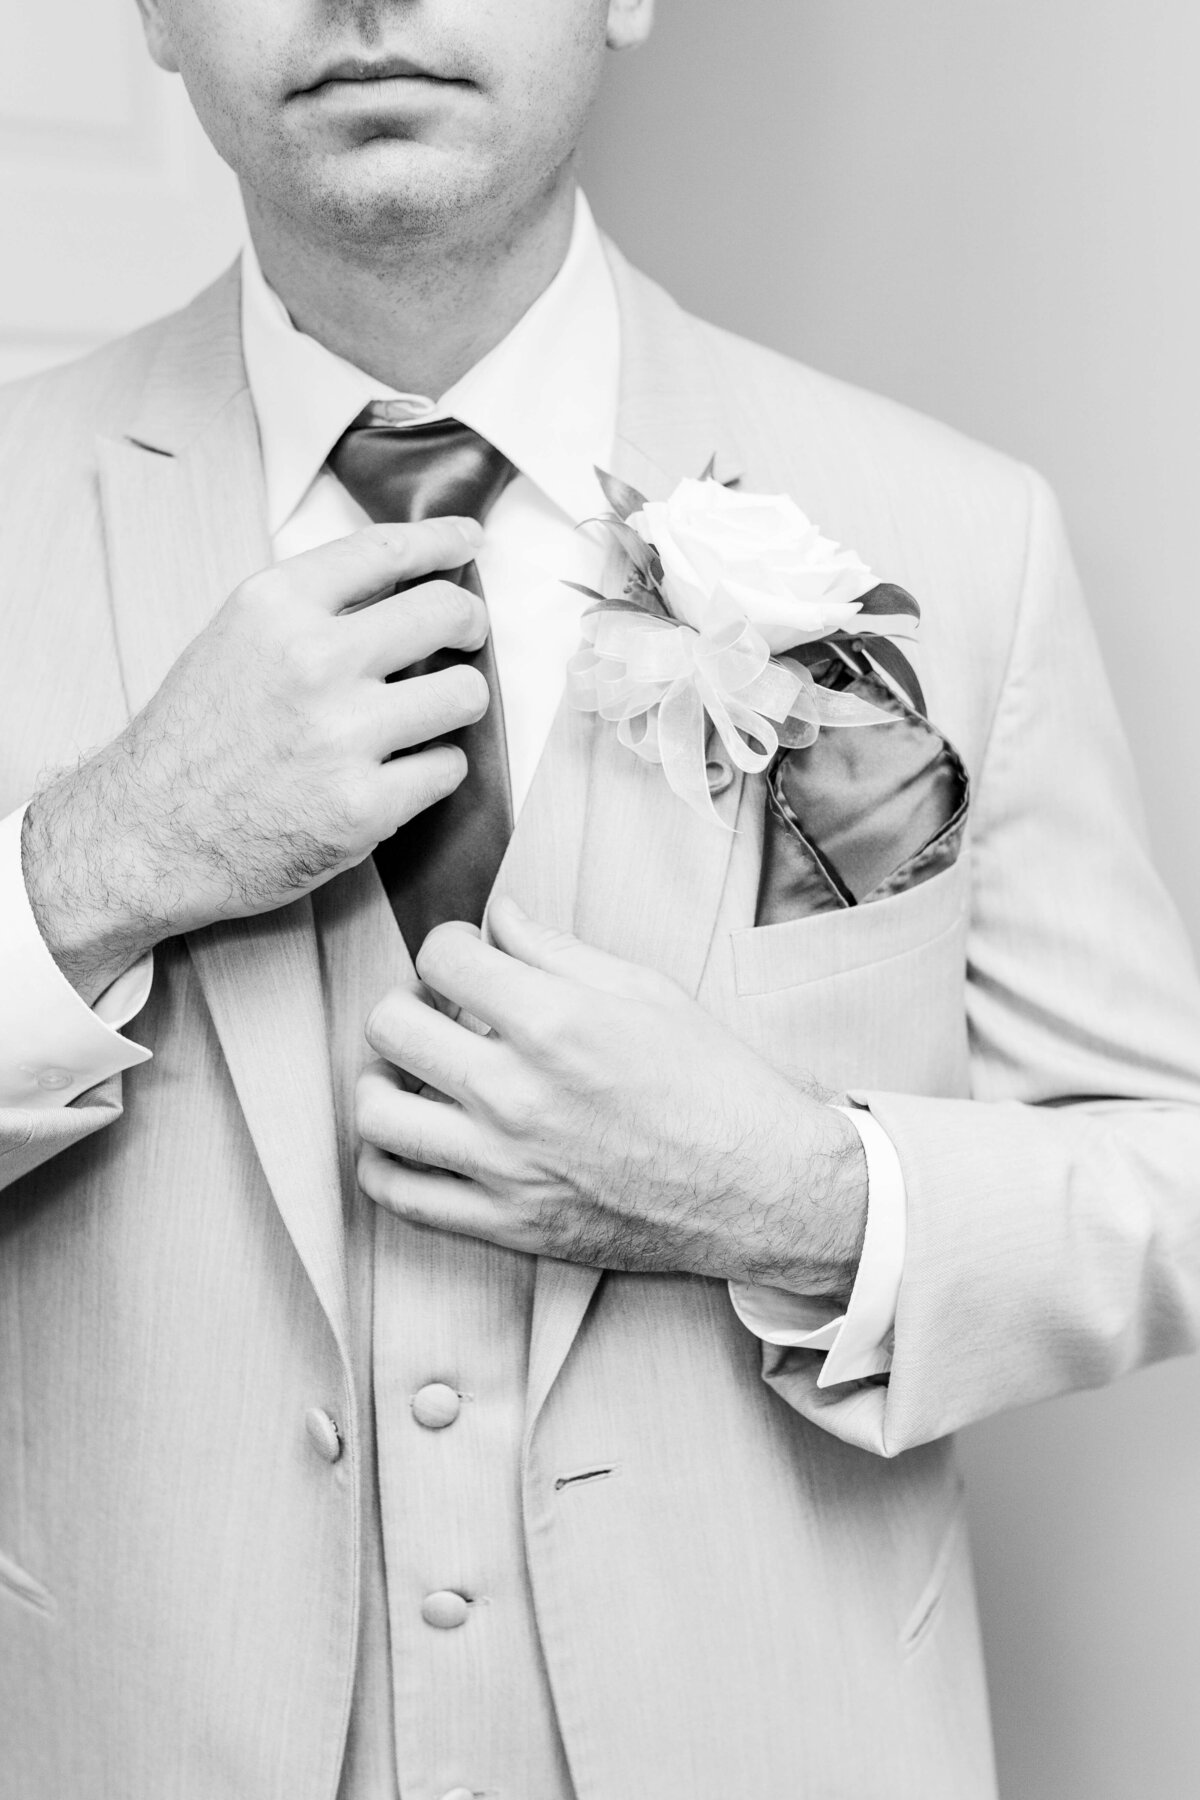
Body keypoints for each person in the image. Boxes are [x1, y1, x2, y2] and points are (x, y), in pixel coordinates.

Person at [2, 1, 1199, 1794]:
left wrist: (789, 1195)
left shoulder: (962, 533)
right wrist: (105, 861)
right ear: (157, 15)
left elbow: (1165, 1180)